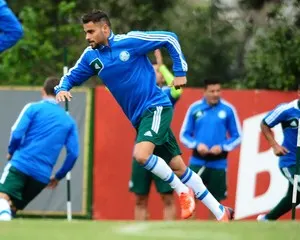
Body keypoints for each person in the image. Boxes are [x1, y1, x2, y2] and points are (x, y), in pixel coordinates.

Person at [55, 9, 234, 221]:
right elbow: (71, 76)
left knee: (141, 155)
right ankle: (220, 212)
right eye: (85, 32)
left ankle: (182, 191)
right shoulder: (91, 57)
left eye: (91, 31)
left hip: (156, 106)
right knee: (178, 167)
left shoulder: (130, 41)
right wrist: (62, 88)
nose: (87, 37)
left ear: (105, 28)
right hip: (140, 119)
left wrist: (180, 72)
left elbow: (169, 38)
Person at [0, 77, 79, 221]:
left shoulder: (33, 108)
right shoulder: (69, 121)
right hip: (42, 177)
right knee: (11, 208)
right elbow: (73, 154)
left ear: (43, 91)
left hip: (20, 165)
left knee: (2, 198)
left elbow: (16, 133)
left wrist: (11, 151)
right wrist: (59, 176)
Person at [129, 49, 182, 220]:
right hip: (142, 151)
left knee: (167, 197)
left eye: (157, 72)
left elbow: (178, 91)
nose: (155, 74)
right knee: (140, 199)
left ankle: (169, 234)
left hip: (162, 152)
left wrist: (162, 66)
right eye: (152, 71)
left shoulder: (166, 94)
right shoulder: (140, 94)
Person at [180, 78, 242, 218]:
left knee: (215, 202)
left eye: (218, 91)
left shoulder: (228, 109)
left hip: (219, 163)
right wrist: (197, 144)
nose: (215, 94)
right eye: (212, 91)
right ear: (204, 92)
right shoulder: (195, 108)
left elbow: (237, 136)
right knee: (191, 199)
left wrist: (222, 147)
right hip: (197, 162)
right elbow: (184, 135)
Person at [257, 83, 300, 221]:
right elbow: (264, 124)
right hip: (290, 161)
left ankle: (266, 220)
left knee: (293, 196)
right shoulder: (287, 110)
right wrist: (274, 145)